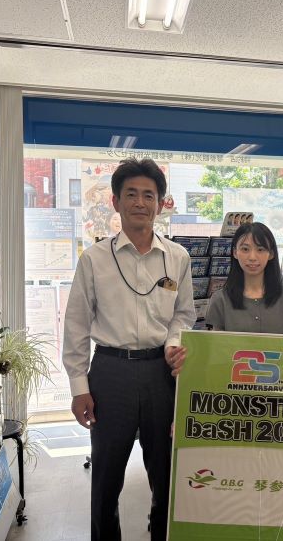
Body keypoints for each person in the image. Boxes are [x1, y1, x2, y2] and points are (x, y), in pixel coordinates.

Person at [62, 158, 196, 541]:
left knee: (166, 475)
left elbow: (184, 314)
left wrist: (173, 344)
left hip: (160, 374)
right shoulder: (94, 259)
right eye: (132, 194)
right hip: (110, 372)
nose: (140, 203)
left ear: (161, 203)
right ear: (116, 202)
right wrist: (79, 387)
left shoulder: (178, 258)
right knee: (106, 478)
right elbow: (76, 324)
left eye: (149, 195)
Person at [206, 222, 283, 334]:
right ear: (235, 252)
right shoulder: (220, 299)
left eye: (260, 249)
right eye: (245, 249)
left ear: (271, 254)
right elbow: (218, 343)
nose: (252, 257)